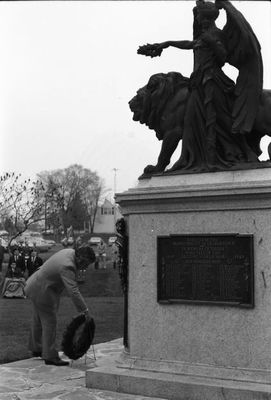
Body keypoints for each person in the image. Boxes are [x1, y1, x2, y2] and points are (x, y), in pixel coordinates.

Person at [137, 0, 262, 172]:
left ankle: (245, 152)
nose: (201, 22)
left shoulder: (217, 34)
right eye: (200, 19)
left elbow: (222, 58)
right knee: (190, 121)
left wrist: (214, 44)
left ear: (211, 19)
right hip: (198, 84)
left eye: (204, 19)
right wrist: (166, 44)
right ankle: (191, 157)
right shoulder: (204, 35)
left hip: (214, 82)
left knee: (223, 118)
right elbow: (189, 44)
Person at [24, 245, 96, 366]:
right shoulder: (68, 266)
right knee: (49, 322)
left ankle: (37, 348)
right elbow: (73, 290)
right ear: (80, 259)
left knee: (38, 319)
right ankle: (50, 356)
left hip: (34, 284)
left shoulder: (69, 251)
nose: (86, 267)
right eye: (86, 264)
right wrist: (85, 310)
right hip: (43, 290)